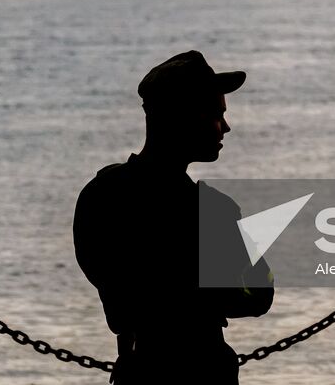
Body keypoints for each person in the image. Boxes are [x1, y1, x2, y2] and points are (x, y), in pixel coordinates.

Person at [74, 50, 274, 384]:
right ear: (184, 118)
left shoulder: (101, 192)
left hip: (137, 370)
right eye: (216, 115)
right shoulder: (211, 209)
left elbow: (103, 274)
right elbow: (258, 296)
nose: (226, 127)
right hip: (202, 371)